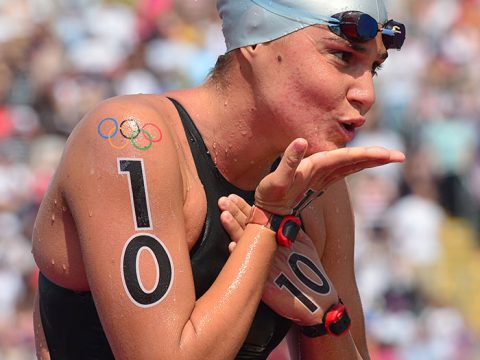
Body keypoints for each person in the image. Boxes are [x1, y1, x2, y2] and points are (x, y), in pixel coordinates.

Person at [32, 0, 406, 359]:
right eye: (343, 56)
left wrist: (324, 316)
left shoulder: (319, 187)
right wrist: (267, 224)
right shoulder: (131, 139)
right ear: (256, 39)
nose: (367, 94)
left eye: (373, 68)